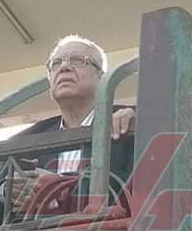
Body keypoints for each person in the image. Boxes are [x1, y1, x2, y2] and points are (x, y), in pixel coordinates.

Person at [11, 35, 136, 212]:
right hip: (44, 230)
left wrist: (59, 188)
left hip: (111, 228)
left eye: (78, 60)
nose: (64, 67)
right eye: (56, 63)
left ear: (102, 77)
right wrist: (10, 191)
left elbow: (138, 188)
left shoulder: (128, 121)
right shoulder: (32, 136)